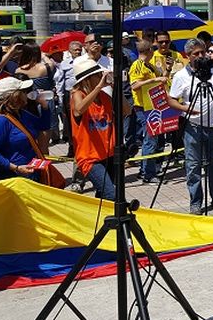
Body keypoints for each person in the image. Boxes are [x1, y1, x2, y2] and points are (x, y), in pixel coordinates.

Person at [167, 39, 213, 215]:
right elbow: (171, 100)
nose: (200, 56)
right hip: (193, 127)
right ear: (187, 56)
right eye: (195, 54)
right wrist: (186, 108)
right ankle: (196, 203)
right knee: (193, 166)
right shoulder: (181, 76)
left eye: (202, 52)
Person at [70, 59, 129, 200]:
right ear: (88, 79)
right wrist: (98, 87)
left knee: (103, 197)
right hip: (90, 158)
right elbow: (79, 110)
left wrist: (117, 89)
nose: (102, 77)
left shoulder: (104, 97)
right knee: (111, 194)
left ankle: (99, 220)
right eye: (98, 75)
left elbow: (127, 110)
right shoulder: (77, 94)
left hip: (108, 154)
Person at [0, 77, 51, 181]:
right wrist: (16, 168)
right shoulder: (0, 121)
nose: (27, 94)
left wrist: (45, 106)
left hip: (30, 174)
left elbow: (43, 126)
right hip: (12, 178)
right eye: (23, 92)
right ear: (15, 96)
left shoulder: (22, 114)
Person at [128, 40, 168, 183]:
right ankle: (148, 174)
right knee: (150, 139)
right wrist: (154, 80)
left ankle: (146, 170)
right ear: (149, 50)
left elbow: (160, 77)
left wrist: (165, 71)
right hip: (143, 107)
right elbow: (135, 85)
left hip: (153, 105)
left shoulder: (149, 65)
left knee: (153, 138)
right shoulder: (137, 65)